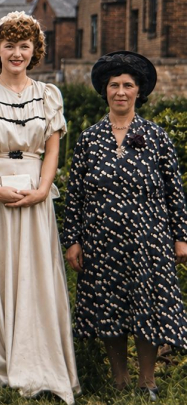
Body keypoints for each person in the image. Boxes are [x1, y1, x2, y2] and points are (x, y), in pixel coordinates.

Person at [0, 11, 80, 403]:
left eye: (24, 46)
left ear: (34, 50)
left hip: (34, 193)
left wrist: (44, 188)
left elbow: (52, 149)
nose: (16, 53)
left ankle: (37, 358)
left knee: (34, 274)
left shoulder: (48, 95)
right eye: (9, 45)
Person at [62, 51, 187, 400]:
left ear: (138, 91)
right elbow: (75, 195)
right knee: (109, 309)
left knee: (145, 309)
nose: (120, 91)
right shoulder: (89, 139)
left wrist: (181, 238)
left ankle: (147, 380)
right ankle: (119, 379)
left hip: (148, 238)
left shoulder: (157, 137)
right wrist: (73, 240)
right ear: (104, 91)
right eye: (113, 85)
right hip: (101, 240)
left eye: (127, 85)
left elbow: (174, 192)